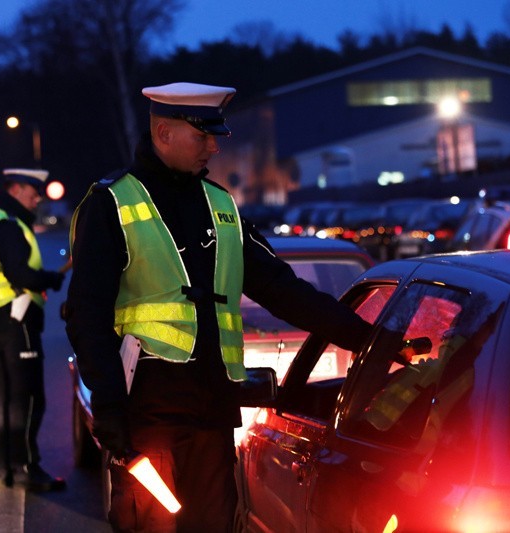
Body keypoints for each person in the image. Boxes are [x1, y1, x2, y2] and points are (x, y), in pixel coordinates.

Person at [64, 82, 376, 532]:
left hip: (212, 417)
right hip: (147, 422)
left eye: (215, 136)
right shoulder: (111, 204)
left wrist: (368, 339)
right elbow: (87, 315)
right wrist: (110, 412)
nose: (213, 147)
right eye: (202, 135)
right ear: (164, 132)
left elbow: (282, 289)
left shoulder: (220, 205)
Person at [0, 168, 66, 492]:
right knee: (26, 397)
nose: (37, 197)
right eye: (32, 190)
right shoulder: (8, 223)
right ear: (14, 189)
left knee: (1, 395)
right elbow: (19, 273)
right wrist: (50, 279)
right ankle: (25, 467)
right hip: (17, 317)